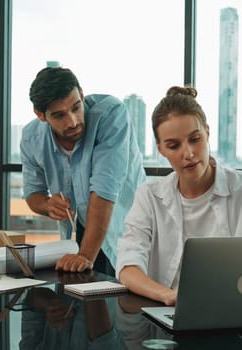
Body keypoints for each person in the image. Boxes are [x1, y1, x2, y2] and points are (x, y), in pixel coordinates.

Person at [115, 86, 242, 305]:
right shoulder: (149, 197)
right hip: (166, 311)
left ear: (207, 132)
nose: (188, 153)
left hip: (236, 311)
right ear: (160, 149)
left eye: (195, 139)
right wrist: (168, 296)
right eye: (174, 145)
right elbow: (128, 266)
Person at [21, 67, 146, 275]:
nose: (72, 121)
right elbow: (33, 194)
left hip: (129, 231)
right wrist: (48, 205)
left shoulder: (111, 114)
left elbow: (104, 190)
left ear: (81, 94)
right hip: (82, 231)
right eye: (59, 115)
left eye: (76, 108)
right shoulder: (31, 138)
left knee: (128, 303)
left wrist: (85, 256)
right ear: (40, 115)